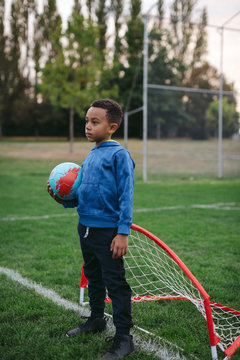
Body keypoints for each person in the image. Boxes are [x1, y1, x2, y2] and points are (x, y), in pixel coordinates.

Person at [47, 99, 135, 359]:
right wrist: (65, 199)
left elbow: (126, 195)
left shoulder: (119, 155)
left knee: (115, 282)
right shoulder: (91, 155)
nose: (88, 126)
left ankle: (124, 338)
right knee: (93, 276)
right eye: (87, 121)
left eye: (95, 122)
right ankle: (97, 319)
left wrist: (122, 232)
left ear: (112, 126)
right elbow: (85, 192)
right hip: (85, 227)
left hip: (108, 232)